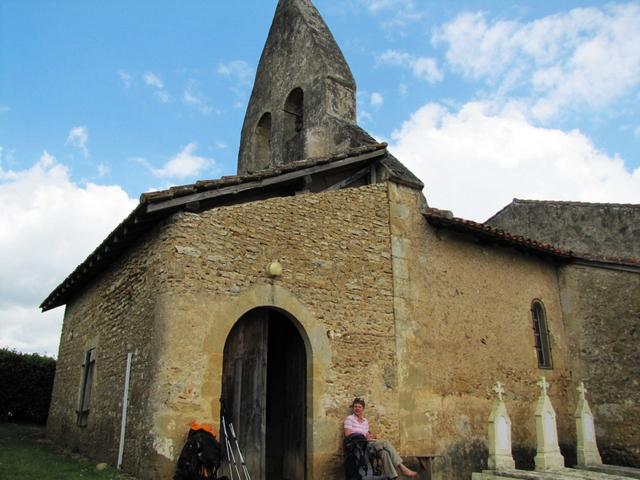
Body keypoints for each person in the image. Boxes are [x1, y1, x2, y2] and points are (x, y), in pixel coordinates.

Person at [344, 397, 417, 479]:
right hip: (359, 447)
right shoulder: (350, 419)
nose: (357, 408)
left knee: (384, 453)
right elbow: (348, 436)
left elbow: (366, 433)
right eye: (355, 406)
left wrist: (370, 436)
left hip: (368, 444)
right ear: (353, 408)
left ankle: (392, 477)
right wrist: (364, 438)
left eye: (359, 407)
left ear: (363, 409)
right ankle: (401, 467)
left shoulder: (365, 421)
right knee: (385, 443)